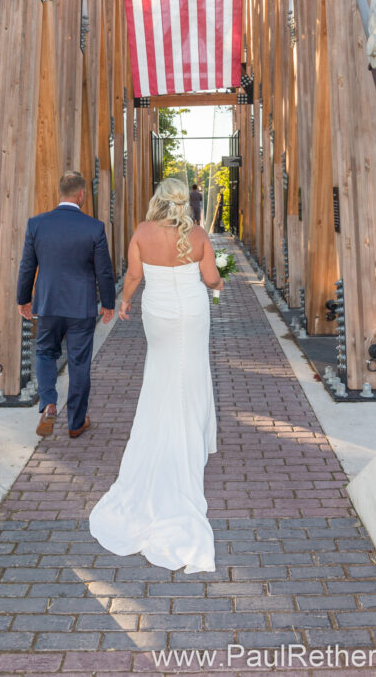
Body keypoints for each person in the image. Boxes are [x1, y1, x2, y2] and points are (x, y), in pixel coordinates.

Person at [89, 177, 224, 573]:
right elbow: (212, 279)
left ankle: (161, 429)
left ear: (157, 201)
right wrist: (221, 281)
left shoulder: (142, 232)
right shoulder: (197, 234)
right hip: (194, 312)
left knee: (161, 370)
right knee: (193, 370)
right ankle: (192, 436)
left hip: (160, 311)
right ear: (184, 203)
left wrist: (124, 301)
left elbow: (133, 276)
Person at [16, 170, 115, 439]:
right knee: (79, 362)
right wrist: (108, 303)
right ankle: (76, 422)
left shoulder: (37, 224)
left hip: (48, 303)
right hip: (80, 306)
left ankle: (49, 402)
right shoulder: (93, 227)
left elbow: (27, 266)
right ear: (81, 194)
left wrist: (23, 299)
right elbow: (104, 271)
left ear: (60, 193)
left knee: (46, 352)